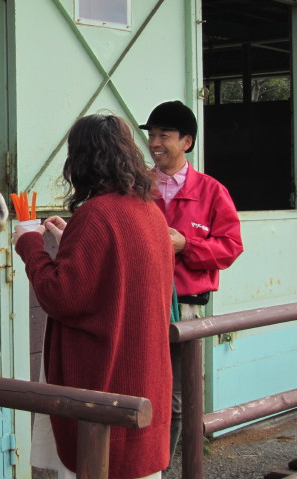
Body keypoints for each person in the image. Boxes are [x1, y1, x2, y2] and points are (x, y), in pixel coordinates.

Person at [12, 114, 174, 479]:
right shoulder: (150, 212)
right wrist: (71, 237)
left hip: (104, 383)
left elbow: (60, 295)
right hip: (144, 384)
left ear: (79, 160)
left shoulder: (95, 215)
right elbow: (114, 268)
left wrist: (29, 243)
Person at [139, 101, 244, 475]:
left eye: (163, 135)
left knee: (178, 399)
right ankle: (145, 467)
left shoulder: (213, 192)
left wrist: (187, 245)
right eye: (150, 135)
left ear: (186, 141)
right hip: (140, 305)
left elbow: (231, 247)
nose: (154, 143)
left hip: (186, 309)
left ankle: (164, 467)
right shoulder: (137, 187)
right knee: (140, 391)